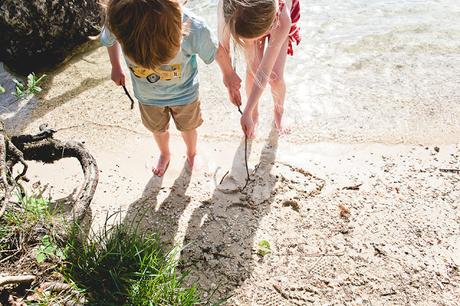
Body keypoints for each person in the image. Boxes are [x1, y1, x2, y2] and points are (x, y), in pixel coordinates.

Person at [101, 0, 240, 176]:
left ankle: (191, 152)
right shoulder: (122, 18)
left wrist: (228, 75)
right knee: (157, 129)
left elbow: (217, 51)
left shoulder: (193, 27)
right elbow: (109, 39)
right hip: (148, 97)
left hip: (185, 94)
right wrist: (115, 66)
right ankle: (165, 153)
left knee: (188, 128)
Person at [218, 0, 301, 137]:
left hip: (275, 16)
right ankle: (254, 115)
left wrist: (246, 110)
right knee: (252, 70)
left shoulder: (282, 17)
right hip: (247, 15)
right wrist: (229, 80)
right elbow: (222, 50)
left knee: (276, 77)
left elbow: (264, 72)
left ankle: (279, 113)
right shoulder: (228, 8)